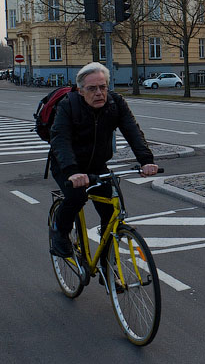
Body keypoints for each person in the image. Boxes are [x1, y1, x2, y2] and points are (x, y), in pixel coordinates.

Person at [49, 62, 158, 257]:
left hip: (97, 165)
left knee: (110, 213)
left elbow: (132, 131)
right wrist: (72, 172)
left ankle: (109, 267)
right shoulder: (68, 105)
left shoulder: (115, 103)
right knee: (77, 197)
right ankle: (59, 233)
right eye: (92, 88)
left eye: (102, 87)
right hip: (67, 166)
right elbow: (60, 140)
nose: (99, 93)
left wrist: (146, 160)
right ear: (81, 91)